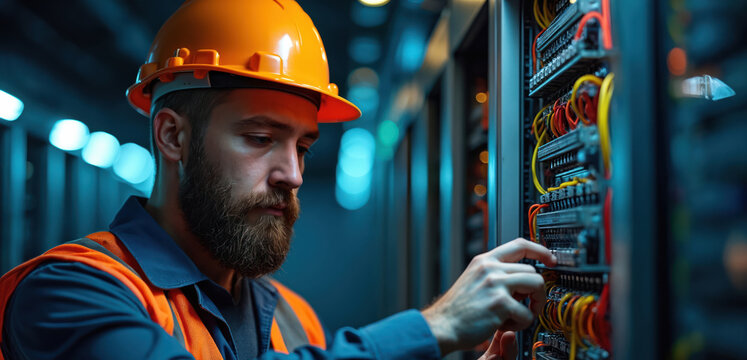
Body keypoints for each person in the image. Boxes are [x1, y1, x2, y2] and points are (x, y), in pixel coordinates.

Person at [0, 1, 557, 359]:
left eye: (303, 146)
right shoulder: (67, 295)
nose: (292, 174)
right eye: (260, 138)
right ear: (172, 137)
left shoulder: (291, 318)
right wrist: (432, 327)